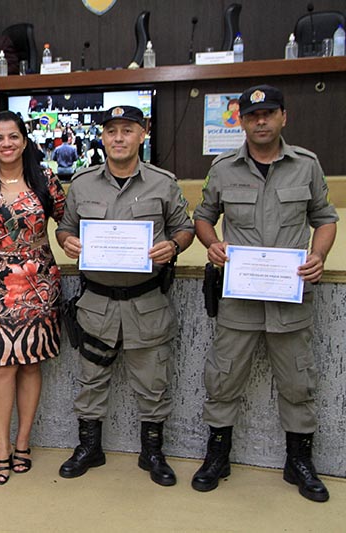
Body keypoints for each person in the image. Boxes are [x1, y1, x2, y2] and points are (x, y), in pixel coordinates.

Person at [192, 85, 338, 502]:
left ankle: (299, 461)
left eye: (269, 113)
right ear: (241, 121)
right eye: (253, 115)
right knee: (223, 378)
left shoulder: (306, 165)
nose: (261, 121)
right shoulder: (223, 168)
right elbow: (203, 216)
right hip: (239, 298)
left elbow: (325, 218)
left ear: (283, 117)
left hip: (289, 298)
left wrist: (319, 255)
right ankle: (218, 456)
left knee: (298, 381)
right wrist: (212, 244)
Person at [56, 105, 194, 487]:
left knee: (153, 383)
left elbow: (184, 228)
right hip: (96, 304)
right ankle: (89, 447)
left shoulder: (163, 183)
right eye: (112, 130)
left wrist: (173, 246)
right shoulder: (82, 184)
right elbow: (65, 227)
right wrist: (67, 241)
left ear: (142, 133)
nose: (119, 138)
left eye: (127, 130)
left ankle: (153, 452)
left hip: (146, 303)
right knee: (90, 381)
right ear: (102, 137)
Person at [0, 111, 66, 485]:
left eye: (13, 136)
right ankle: (2, 447)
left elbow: (68, 222)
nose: (6, 144)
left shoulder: (45, 179)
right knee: (0, 365)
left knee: (30, 363)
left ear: (24, 141)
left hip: (38, 284)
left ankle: (23, 442)